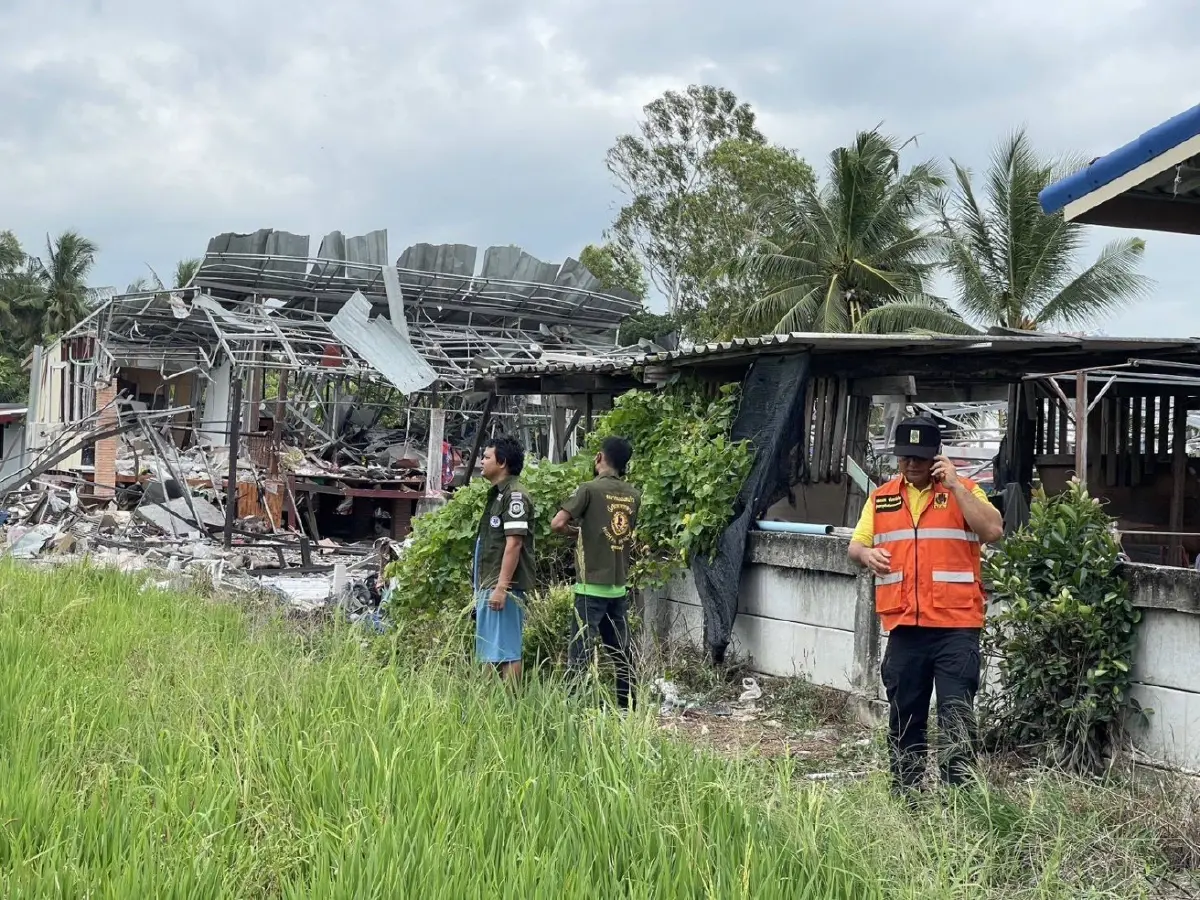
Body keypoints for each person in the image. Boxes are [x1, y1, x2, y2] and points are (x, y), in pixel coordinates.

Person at [848, 416, 1003, 794]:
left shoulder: (964, 490)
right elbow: (855, 546)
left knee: (957, 719)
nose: (912, 465)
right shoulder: (882, 497)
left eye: (919, 458)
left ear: (936, 456)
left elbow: (993, 531)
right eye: (905, 458)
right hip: (905, 629)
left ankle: (958, 803)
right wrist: (867, 556)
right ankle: (907, 797)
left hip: (956, 629)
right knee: (904, 719)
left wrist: (955, 486)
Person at [552, 436, 641, 709]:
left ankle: (573, 710)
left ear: (599, 457)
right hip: (617, 586)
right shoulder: (634, 496)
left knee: (580, 652)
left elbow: (557, 524)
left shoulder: (588, 489)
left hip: (590, 587)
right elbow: (624, 533)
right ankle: (628, 709)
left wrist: (577, 533)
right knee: (621, 652)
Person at [473, 435, 535, 682]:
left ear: (502, 462)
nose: (481, 461)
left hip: (504, 585)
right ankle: (488, 706)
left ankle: (509, 709)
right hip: (490, 581)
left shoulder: (515, 496)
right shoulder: (498, 494)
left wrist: (502, 587)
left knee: (507, 649)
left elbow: (514, 543)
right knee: (490, 647)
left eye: (486, 457)